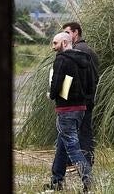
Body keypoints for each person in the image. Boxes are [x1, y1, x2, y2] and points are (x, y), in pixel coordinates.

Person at [47, 32, 94, 192]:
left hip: (66, 109)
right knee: (62, 145)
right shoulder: (85, 59)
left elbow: (56, 82)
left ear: (65, 43)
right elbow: (90, 84)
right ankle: (56, 180)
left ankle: (88, 179)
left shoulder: (62, 59)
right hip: (80, 108)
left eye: (55, 43)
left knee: (73, 147)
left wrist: (52, 95)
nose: (53, 47)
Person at [62, 22, 99, 167]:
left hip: (80, 99)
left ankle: (84, 161)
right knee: (83, 129)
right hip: (88, 96)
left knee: (81, 130)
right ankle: (83, 159)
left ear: (76, 32)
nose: (65, 35)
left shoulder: (76, 51)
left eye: (67, 32)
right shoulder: (89, 50)